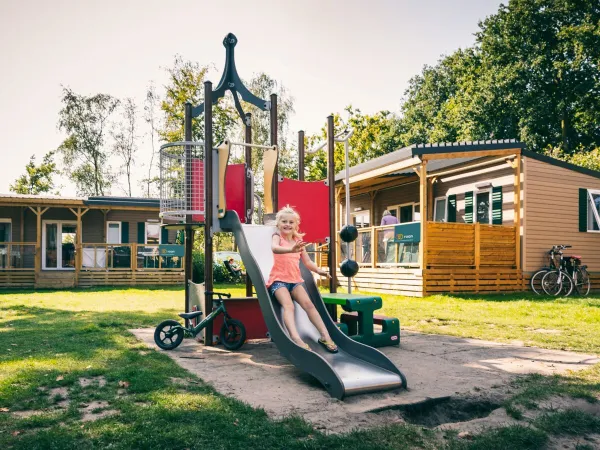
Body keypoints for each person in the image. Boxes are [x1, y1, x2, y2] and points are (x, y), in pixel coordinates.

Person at [267, 205, 338, 353]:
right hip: (278, 280)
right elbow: (274, 248)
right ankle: (296, 338)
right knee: (289, 306)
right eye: (284, 221)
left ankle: (325, 336)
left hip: (295, 281)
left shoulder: (298, 241)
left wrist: (319, 270)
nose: (287, 224)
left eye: (291, 222)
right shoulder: (277, 237)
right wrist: (290, 250)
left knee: (309, 305)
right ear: (278, 224)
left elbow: (307, 262)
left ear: (296, 225)